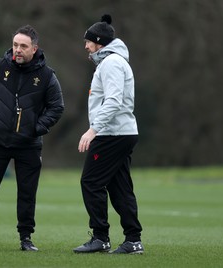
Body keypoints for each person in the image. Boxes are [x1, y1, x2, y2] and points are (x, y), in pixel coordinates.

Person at [0, 25, 64, 251]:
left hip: (29, 145)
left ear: (34, 48)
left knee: (27, 193)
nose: (18, 50)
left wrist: (36, 128)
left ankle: (25, 238)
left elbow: (57, 107)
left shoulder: (47, 76)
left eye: (23, 46)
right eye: (15, 45)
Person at [73, 14, 144, 254]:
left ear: (99, 42)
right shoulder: (112, 62)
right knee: (119, 187)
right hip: (121, 133)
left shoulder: (112, 63)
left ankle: (100, 237)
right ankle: (133, 240)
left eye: (88, 42)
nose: (85, 46)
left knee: (90, 182)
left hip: (112, 135)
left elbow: (113, 101)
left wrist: (93, 130)